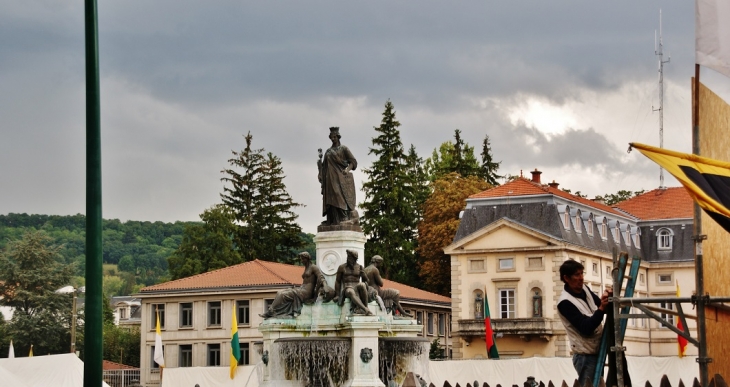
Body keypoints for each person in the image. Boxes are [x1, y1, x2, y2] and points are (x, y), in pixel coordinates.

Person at [557, 259, 612, 387]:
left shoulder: (584, 289)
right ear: (566, 278)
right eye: (577, 275)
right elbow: (586, 328)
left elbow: (599, 305)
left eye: (582, 273)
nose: (581, 278)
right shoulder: (565, 302)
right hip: (585, 356)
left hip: (595, 351)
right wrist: (602, 308)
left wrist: (606, 299)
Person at [260, 252, 331, 319]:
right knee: (280, 292)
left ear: (307, 258)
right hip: (301, 289)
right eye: (301, 259)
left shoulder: (313, 267)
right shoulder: (306, 268)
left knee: (284, 295)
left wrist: (325, 286)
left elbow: (321, 277)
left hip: (306, 292)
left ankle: (271, 311)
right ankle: (274, 311)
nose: (302, 260)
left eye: (303, 259)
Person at [318, 127, 358, 226]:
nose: (333, 139)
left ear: (338, 137)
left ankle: (343, 217)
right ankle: (332, 220)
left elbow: (353, 162)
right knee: (330, 199)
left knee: (338, 196)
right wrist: (319, 167)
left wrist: (347, 169)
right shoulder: (328, 151)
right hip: (329, 178)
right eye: (331, 137)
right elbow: (324, 167)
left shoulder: (344, 149)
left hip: (339, 177)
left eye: (335, 136)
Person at [333, 250, 372, 315]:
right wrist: (337, 295)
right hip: (347, 288)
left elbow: (367, 281)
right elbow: (338, 281)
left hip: (357, 286)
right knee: (351, 292)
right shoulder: (342, 267)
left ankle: (366, 307)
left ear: (355, 259)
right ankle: (365, 309)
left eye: (351, 258)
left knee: (362, 285)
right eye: (348, 257)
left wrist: (364, 276)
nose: (348, 259)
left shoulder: (359, 267)